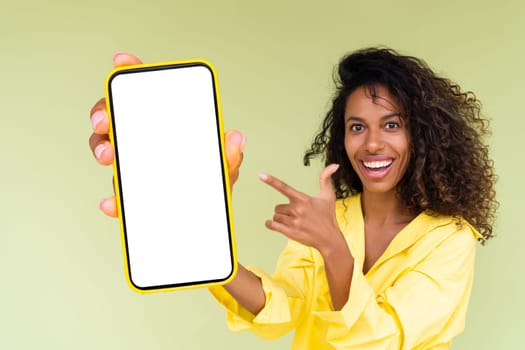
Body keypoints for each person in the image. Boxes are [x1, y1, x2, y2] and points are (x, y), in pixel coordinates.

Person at [89, 48, 497, 349]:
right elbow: (283, 310)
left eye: (391, 124)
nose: (372, 143)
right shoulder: (326, 218)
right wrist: (206, 238)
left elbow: (382, 340)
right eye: (357, 127)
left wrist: (333, 247)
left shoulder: (450, 238)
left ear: (421, 135)